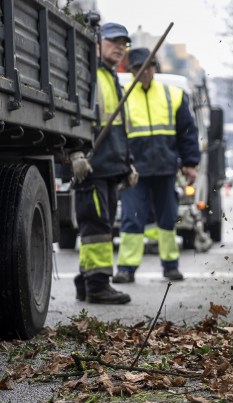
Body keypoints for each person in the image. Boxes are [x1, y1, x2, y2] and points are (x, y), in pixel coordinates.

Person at [113, 47, 200, 283]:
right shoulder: (122, 96)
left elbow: (187, 134)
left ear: (154, 68)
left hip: (165, 169)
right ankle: (126, 268)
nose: (143, 72)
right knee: (131, 218)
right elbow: (116, 135)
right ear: (131, 71)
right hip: (134, 171)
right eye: (138, 68)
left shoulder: (173, 95)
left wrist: (190, 164)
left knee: (168, 219)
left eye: (148, 67)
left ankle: (170, 266)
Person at [69, 22, 138, 304]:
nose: (120, 46)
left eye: (124, 42)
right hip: (92, 166)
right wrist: (74, 154)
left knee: (99, 229)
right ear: (98, 44)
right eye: (114, 41)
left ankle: (86, 281)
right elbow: (72, 116)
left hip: (109, 167)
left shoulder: (111, 77)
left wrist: (128, 164)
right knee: (96, 227)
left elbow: (120, 128)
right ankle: (97, 286)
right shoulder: (89, 75)